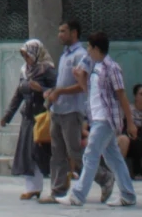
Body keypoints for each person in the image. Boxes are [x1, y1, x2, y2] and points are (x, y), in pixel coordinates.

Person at [59, 33, 137, 207]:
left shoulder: (112, 68)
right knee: (113, 158)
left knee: (90, 155)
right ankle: (128, 194)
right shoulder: (96, 67)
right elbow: (92, 93)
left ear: (96, 48)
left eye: (89, 47)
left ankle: (78, 195)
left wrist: (130, 122)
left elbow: (121, 95)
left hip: (106, 119)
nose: (87, 51)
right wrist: (80, 79)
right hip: (97, 118)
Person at [45, 20, 108, 202]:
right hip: (58, 110)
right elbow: (62, 82)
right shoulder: (64, 55)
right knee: (57, 153)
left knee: (75, 153)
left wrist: (60, 91)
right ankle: (58, 191)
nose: (60, 35)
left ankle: (104, 177)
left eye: (63, 31)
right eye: (59, 31)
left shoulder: (81, 55)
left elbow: (82, 85)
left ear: (74, 33)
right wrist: (53, 91)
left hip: (72, 111)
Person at [0, 39, 54, 199]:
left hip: (42, 116)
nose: (26, 59)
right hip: (28, 117)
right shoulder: (24, 71)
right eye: (24, 55)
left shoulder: (47, 70)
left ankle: (56, 185)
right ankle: (32, 187)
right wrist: (7, 116)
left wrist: (42, 89)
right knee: (27, 152)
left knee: (41, 152)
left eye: (28, 55)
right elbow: (18, 95)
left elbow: (57, 90)